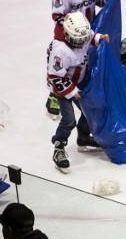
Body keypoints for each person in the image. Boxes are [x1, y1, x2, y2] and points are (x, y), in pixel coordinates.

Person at [48, 0, 118, 120]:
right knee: (65, 68)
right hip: (73, 37)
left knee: (86, 65)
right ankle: (55, 95)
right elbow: (57, 16)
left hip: (91, 33)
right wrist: (75, 32)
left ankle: (87, 89)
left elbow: (102, 0)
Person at [47, 11, 110, 174]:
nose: (83, 43)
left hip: (79, 81)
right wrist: (71, 90)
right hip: (62, 87)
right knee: (68, 120)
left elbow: (90, 36)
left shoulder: (80, 34)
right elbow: (55, 77)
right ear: (68, 34)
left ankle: (83, 138)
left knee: (89, 111)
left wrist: (100, 38)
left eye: (84, 39)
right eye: (79, 40)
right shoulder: (61, 51)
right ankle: (59, 147)